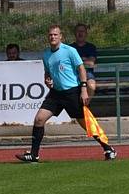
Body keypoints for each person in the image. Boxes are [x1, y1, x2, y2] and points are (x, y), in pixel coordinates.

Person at [15, 24, 116, 163]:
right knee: (39, 119)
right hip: (56, 93)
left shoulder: (70, 51)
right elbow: (48, 73)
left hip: (72, 93)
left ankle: (108, 148)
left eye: (55, 35)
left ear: (60, 36)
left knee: (85, 123)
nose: (53, 37)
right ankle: (34, 154)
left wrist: (84, 89)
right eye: (50, 35)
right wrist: (47, 80)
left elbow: (81, 69)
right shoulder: (46, 54)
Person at [70, 23, 98, 97]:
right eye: (78, 31)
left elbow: (91, 63)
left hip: (87, 73)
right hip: (72, 73)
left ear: (86, 34)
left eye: (82, 31)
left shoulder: (91, 47)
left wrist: (76, 60)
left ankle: (85, 105)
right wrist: (84, 59)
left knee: (91, 85)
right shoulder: (69, 48)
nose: (80, 33)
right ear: (75, 34)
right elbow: (68, 62)